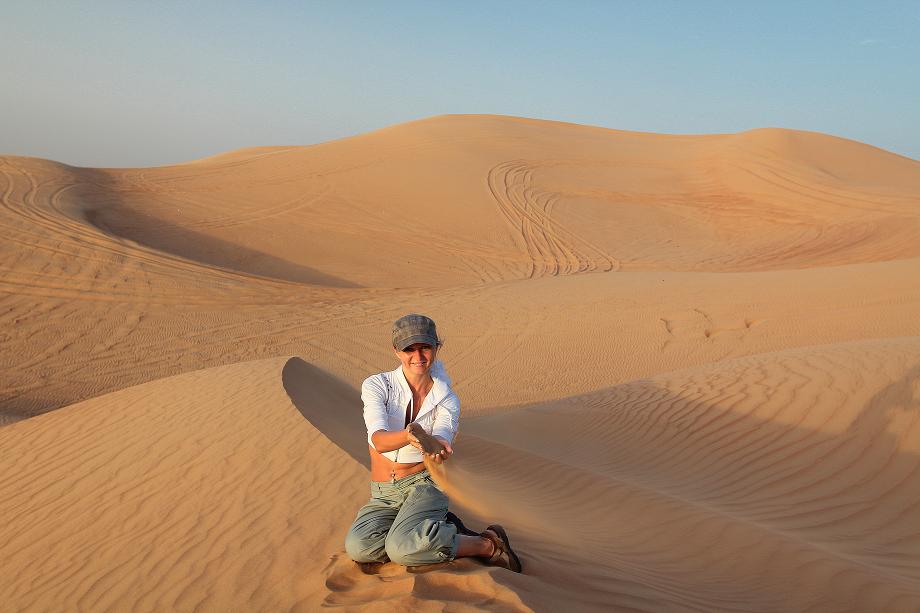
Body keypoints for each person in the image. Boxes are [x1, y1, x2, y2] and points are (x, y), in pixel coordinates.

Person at [344, 313, 522, 573]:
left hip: (424, 486)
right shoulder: (377, 385)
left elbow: (441, 443)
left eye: (425, 347)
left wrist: (438, 449)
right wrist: (409, 436)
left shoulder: (447, 398)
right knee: (360, 547)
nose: (418, 357)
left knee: (400, 548)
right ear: (396, 351)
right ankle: (436, 527)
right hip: (384, 493)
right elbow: (378, 441)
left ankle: (487, 544)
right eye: (409, 349)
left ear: (437, 347)